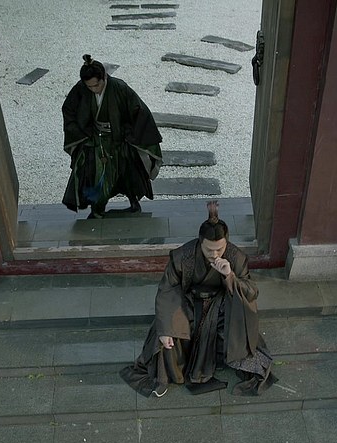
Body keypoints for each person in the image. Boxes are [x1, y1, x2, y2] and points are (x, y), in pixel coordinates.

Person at [120, 201, 276, 397]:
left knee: (234, 328)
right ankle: (172, 373)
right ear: (200, 242)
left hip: (220, 304)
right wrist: (165, 329)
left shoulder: (236, 257)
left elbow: (251, 292)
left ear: (226, 243)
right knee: (169, 335)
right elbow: (168, 290)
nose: (214, 254)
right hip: (188, 301)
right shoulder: (182, 256)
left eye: (219, 249)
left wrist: (229, 276)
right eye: (209, 249)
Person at [61, 54, 163, 219]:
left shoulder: (119, 87)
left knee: (128, 170)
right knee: (96, 174)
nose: (93, 89)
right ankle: (97, 208)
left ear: (104, 78)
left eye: (96, 85)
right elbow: (68, 110)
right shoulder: (81, 88)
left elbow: (139, 110)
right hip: (95, 139)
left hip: (119, 139)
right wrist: (81, 132)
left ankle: (134, 201)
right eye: (89, 86)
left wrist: (131, 133)